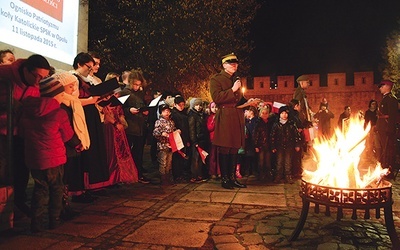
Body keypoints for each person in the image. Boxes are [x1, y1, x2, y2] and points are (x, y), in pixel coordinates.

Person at [19, 77, 81, 232]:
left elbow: (21, 132)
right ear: (54, 96)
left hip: (34, 159)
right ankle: (54, 220)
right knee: (56, 189)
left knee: (39, 190)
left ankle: (36, 224)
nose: (62, 98)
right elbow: (68, 136)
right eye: (60, 95)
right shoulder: (59, 113)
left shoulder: (27, 111)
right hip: (55, 158)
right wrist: (78, 144)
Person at [0, 54, 51, 218]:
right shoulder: (5, 73)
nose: (38, 81)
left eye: (42, 78)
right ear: (26, 70)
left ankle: (18, 201)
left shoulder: (35, 85)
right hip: (1, 131)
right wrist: (6, 103)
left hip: (20, 132)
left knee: (21, 167)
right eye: (36, 76)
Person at [209, 53, 253, 189]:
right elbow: (216, 97)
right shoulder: (216, 79)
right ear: (224, 65)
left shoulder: (237, 79)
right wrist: (232, 89)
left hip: (237, 115)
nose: (235, 65)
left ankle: (233, 177)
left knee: (234, 148)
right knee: (225, 148)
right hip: (226, 115)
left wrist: (248, 101)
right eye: (231, 63)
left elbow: (239, 99)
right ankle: (225, 179)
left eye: (236, 63)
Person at [72, 52, 109, 200]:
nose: (90, 70)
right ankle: (78, 191)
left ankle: (88, 187)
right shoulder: (73, 79)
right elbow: (73, 100)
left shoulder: (87, 80)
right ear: (79, 64)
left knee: (91, 154)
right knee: (82, 154)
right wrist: (91, 100)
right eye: (88, 67)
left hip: (90, 117)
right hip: (82, 118)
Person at [56, 72, 89, 220]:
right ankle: (60, 209)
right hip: (64, 147)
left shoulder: (70, 102)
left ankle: (63, 207)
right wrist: (76, 142)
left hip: (68, 147)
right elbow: (66, 128)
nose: (73, 88)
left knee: (65, 179)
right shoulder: (61, 104)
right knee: (61, 180)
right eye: (70, 86)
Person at [101, 73, 139, 186]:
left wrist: (122, 121)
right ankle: (111, 178)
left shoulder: (117, 97)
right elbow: (105, 112)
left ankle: (119, 177)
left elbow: (119, 110)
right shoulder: (105, 97)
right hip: (110, 128)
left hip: (119, 129)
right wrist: (116, 123)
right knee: (112, 153)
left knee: (121, 152)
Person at [120, 69, 151, 184]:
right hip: (130, 128)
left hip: (140, 127)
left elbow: (142, 105)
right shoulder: (124, 93)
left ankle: (138, 173)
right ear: (130, 82)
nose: (137, 87)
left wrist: (145, 111)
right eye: (135, 84)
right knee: (130, 153)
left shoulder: (140, 94)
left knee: (139, 152)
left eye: (139, 85)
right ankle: (130, 174)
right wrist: (128, 110)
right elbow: (118, 109)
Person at [270, 106, 302, 184]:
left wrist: (297, 145)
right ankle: (278, 175)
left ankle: (288, 176)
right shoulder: (276, 124)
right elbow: (272, 136)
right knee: (279, 161)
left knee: (288, 162)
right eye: (282, 113)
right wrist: (273, 146)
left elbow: (296, 135)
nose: (284, 115)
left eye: (285, 113)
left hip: (289, 146)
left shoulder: (291, 124)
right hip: (279, 146)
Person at [153, 104, 180, 185]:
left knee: (169, 162)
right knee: (163, 162)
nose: (167, 113)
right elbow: (155, 132)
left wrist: (177, 131)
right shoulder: (159, 121)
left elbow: (173, 130)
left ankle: (168, 177)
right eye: (165, 111)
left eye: (168, 111)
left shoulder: (171, 122)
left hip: (171, 145)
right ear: (161, 112)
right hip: (163, 145)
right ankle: (163, 178)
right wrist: (162, 133)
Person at [376, 80, 398, 175]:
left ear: (387, 86)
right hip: (382, 127)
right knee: (384, 149)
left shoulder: (391, 99)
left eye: (382, 86)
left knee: (388, 149)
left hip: (387, 128)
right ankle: (384, 167)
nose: (380, 88)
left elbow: (392, 115)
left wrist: (390, 128)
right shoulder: (385, 98)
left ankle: (389, 170)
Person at [188, 98, 209, 183]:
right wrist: (194, 141)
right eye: (197, 105)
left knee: (200, 158)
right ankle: (194, 175)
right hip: (196, 140)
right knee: (195, 159)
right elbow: (192, 129)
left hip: (202, 139)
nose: (199, 107)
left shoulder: (201, 114)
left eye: (200, 105)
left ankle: (199, 174)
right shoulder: (192, 115)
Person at [171, 95, 191, 182]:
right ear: (175, 104)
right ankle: (177, 175)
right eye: (180, 105)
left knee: (182, 157)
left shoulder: (184, 113)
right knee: (177, 158)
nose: (182, 106)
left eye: (183, 104)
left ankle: (181, 174)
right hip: (177, 139)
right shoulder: (174, 114)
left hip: (184, 138)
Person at [254, 106, 273, 181]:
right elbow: (255, 135)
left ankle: (268, 173)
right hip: (260, 145)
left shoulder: (270, 123)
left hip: (268, 145)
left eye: (266, 113)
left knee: (268, 160)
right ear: (260, 114)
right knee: (261, 161)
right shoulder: (258, 123)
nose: (265, 115)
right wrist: (256, 146)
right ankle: (261, 174)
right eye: (263, 113)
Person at [243, 106, 259, 177]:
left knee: (252, 157)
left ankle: (252, 170)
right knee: (247, 157)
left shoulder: (255, 121)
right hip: (248, 141)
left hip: (252, 141)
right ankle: (248, 170)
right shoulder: (246, 121)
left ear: (251, 112)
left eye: (247, 111)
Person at [206, 102, 220, 180]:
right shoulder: (210, 117)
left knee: (220, 156)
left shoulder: (221, 116)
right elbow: (209, 128)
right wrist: (214, 121)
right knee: (213, 156)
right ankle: (212, 172)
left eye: (216, 107)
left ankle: (219, 172)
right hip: (213, 139)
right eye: (213, 107)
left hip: (220, 139)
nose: (215, 109)